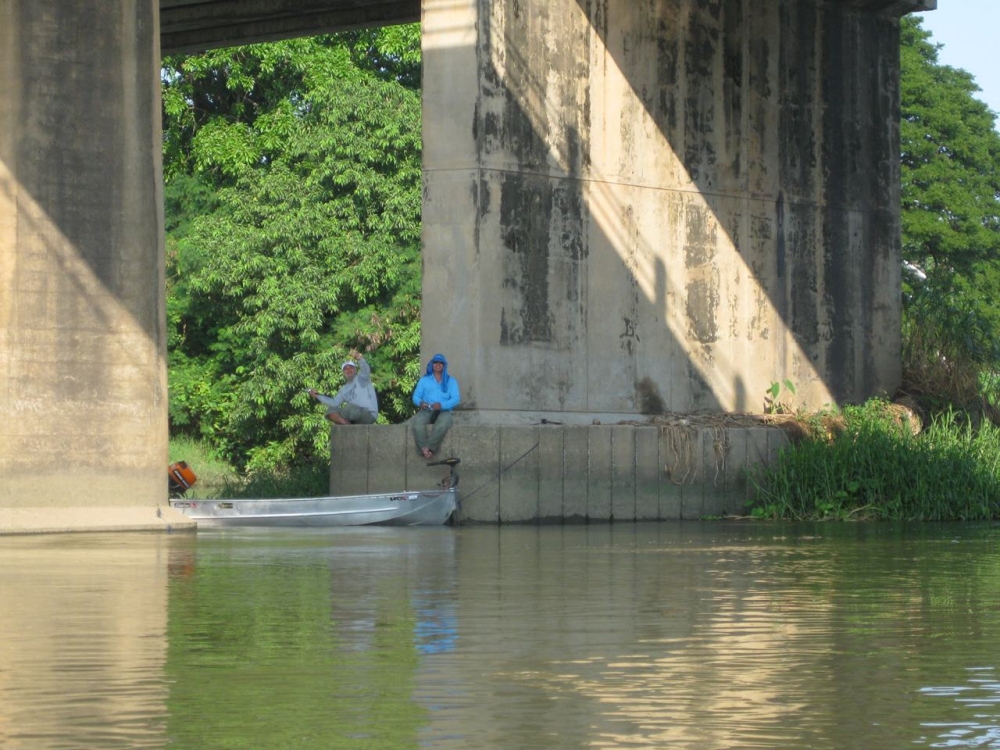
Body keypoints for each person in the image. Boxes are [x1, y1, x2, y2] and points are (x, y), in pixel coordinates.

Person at [411, 353, 460, 459]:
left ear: (444, 365)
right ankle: (424, 448)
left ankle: (430, 448)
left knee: (443, 425)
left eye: (441, 363)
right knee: (417, 424)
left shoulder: (451, 381)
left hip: (444, 410)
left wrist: (442, 405)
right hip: (427, 409)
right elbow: (416, 396)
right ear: (431, 364)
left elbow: (456, 399)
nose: (438, 365)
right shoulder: (424, 380)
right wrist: (420, 403)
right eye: (435, 363)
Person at [308, 352, 378, 425]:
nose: (348, 370)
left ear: (355, 369)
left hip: (368, 414)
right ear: (343, 372)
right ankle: (347, 425)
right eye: (346, 369)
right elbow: (334, 403)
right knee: (330, 411)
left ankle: (347, 423)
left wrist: (359, 358)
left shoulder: (361, 378)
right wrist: (317, 395)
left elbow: (365, 370)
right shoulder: (343, 389)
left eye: (351, 368)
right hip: (352, 415)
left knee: (350, 407)